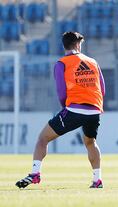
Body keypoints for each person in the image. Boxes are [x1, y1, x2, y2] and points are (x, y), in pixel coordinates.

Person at [16, 31, 105, 189]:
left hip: (74, 110)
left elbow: (61, 92)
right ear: (78, 44)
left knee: (42, 138)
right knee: (91, 142)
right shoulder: (92, 61)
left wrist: (66, 108)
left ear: (64, 45)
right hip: (94, 110)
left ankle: (35, 174)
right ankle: (97, 180)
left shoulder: (61, 63)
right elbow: (102, 89)